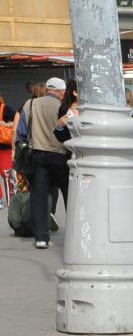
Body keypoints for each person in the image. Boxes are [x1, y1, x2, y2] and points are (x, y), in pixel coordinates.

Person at [19, 78, 72, 250]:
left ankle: (41, 237)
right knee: (69, 196)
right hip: (61, 154)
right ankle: (74, 234)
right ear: (61, 91)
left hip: (37, 154)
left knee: (39, 197)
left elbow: (21, 131)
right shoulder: (64, 107)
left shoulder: (30, 104)